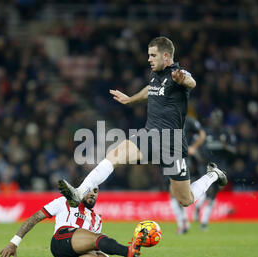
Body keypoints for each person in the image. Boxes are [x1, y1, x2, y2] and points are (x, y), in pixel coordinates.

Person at [58, 36, 227, 210]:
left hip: (172, 143)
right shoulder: (156, 74)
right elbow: (150, 89)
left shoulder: (178, 74)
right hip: (150, 135)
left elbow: (191, 82)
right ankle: (79, 192)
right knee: (114, 155)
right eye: (149, 55)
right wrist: (131, 99)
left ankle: (213, 175)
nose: (149, 59)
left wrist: (183, 79)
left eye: (153, 55)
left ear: (166, 56)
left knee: (185, 200)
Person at [0, 186, 148, 257]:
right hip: (61, 242)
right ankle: (128, 251)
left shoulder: (97, 219)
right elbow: (34, 218)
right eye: (88, 190)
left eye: (95, 191)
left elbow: (99, 247)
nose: (92, 193)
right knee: (96, 239)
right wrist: (14, 242)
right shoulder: (64, 201)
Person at [194, 109, 237, 230]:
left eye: (218, 118)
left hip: (221, 166)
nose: (216, 121)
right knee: (210, 191)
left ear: (221, 120)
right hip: (206, 165)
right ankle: (204, 223)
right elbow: (195, 147)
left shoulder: (226, 133)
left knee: (214, 193)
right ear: (211, 119)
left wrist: (225, 147)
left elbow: (234, 150)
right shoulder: (204, 132)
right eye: (214, 118)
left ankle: (199, 208)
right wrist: (199, 159)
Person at [170, 115, 206, 234]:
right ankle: (183, 222)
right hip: (170, 157)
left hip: (185, 158)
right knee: (173, 191)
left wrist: (193, 147)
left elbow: (202, 134)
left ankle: (183, 222)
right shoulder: (167, 118)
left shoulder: (188, 120)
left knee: (178, 190)